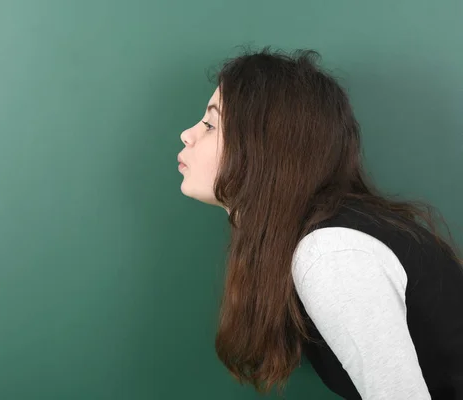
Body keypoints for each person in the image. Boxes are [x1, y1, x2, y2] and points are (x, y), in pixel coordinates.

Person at [176, 47, 463, 399]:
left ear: (266, 147)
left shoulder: (332, 254)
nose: (187, 134)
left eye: (209, 125)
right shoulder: (323, 239)